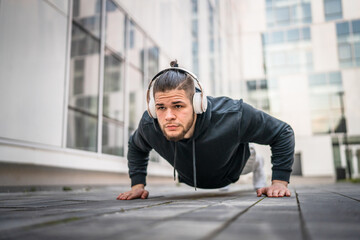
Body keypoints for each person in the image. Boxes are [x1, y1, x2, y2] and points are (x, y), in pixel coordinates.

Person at [117, 60, 294, 200]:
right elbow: (136, 147)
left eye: (178, 106)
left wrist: (279, 181)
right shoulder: (150, 125)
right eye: (161, 107)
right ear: (153, 109)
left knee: (252, 156)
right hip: (194, 176)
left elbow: (282, 133)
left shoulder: (233, 114)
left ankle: (257, 163)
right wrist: (137, 186)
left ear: (198, 104)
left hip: (236, 164)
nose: (169, 116)